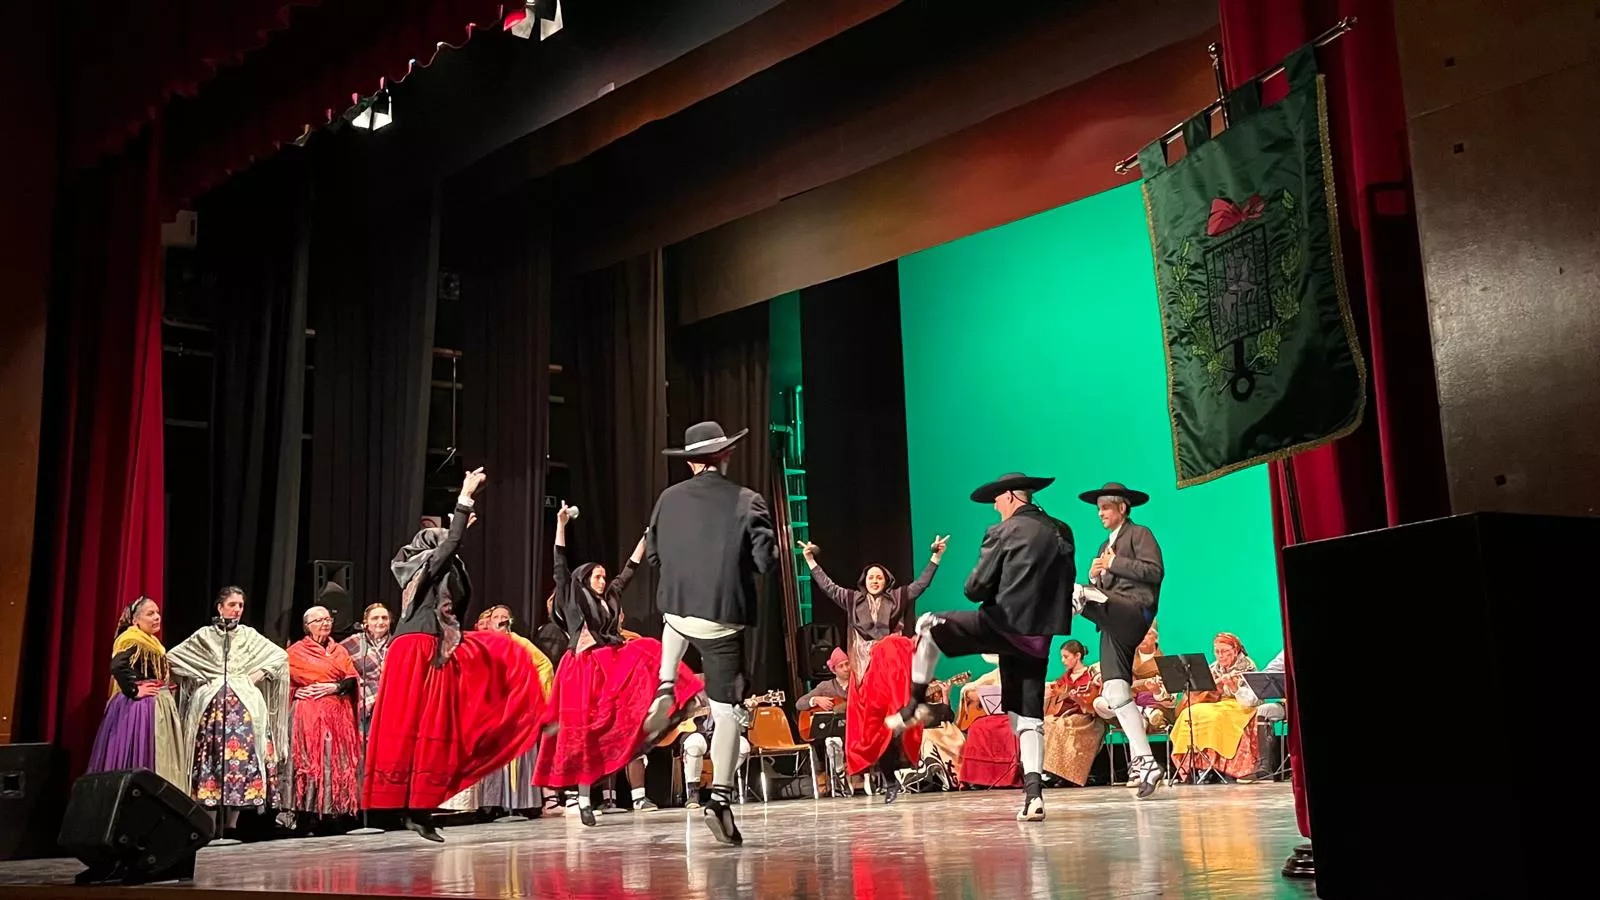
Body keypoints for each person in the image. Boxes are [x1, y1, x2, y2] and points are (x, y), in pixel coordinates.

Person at [362, 468, 546, 841]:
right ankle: (405, 806)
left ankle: (418, 808)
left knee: (436, 725)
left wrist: (461, 527)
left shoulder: (442, 569)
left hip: (435, 647)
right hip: (416, 648)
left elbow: (451, 553)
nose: (451, 545)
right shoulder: (424, 568)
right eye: (444, 540)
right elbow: (447, 549)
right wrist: (464, 497)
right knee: (416, 725)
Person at [889, 472, 1075, 822]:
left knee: (927, 623)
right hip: (1039, 637)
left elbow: (974, 588)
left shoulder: (1002, 532)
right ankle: (1033, 796)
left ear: (1011, 497)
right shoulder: (1062, 530)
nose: (994, 505)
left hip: (1003, 625)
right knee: (1027, 712)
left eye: (997, 499)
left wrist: (997, 590)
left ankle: (913, 703)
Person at [642, 420, 779, 846]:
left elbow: (652, 555)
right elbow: (765, 562)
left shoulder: (667, 499)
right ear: (725, 455)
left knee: (673, 620)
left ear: (689, 463)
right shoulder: (747, 500)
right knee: (727, 715)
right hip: (721, 619)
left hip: (676, 613)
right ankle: (719, 798)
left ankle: (666, 682)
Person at [533, 505, 701, 826]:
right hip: (581, 668)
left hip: (607, 662)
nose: (602, 580)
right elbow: (559, 563)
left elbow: (630, 569)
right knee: (582, 733)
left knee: (649, 648)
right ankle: (583, 800)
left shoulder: (608, 596)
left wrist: (645, 539)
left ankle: (678, 700)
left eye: (604, 577)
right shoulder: (572, 597)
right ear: (584, 578)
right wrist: (561, 524)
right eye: (597, 576)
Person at [801, 535, 948, 802]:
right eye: (871, 577)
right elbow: (827, 586)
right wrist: (811, 561)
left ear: (886, 581)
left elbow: (921, 585)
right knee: (871, 728)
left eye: (879, 577)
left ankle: (906, 731)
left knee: (894, 717)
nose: (875, 580)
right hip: (865, 668)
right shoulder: (852, 600)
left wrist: (935, 557)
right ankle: (889, 778)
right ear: (864, 581)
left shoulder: (898, 597)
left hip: (889, 667)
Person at [168, 587, 290, 836]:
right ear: (220, 607)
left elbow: (279, 656)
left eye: (241, 605)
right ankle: (209, 826)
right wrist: (201, 676)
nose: (237, 609)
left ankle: (231, 827)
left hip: (244, 710)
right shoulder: (205, 636)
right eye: (232, 604)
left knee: (240, 763)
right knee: (211, 762)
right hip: (213, 711)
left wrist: (259, 673)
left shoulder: (248, 635)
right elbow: (174, 657)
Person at [1074, 481, 1166, 799]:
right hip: (1112, 622)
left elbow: (1154, 571)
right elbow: (1102, 581)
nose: (1100, 514)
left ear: (1122, 508)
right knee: (1115, 692)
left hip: (1133, 609)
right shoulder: (1103, 545)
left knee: (1073, 593)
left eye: (1105, 508)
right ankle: (1147, 763)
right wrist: (1097, 575)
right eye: (1098, 509)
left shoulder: (1140, 534)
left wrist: (1112, 564)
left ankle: (1037, 627)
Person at [87, 597, 186, 789]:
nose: (157, 617)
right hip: (140, 709)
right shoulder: (131, 638)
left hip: (155, 703)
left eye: (157, 612)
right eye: (150, 614)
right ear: (135, 620)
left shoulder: (152, 641)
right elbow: (117, 666)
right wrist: (134, 689)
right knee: (141, 751)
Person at [471, 605, 554, 816]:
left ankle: (520, 805)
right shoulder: (484, 643)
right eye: (496, 616)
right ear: (489, 622)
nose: (500, 620)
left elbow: (544, 665)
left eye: (504, 617)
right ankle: (493, 805)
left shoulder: (521, 642)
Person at [286, 605, 362, 820]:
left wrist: (335, 687)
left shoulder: (339, 650)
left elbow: (351, 679)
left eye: (328, 619)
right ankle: (306, 814)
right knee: (312, 764)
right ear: (307, 626)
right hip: (308, 716)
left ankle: (336, 813)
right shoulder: (295, 653)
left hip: (338, 715)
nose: (325, 623)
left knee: (336, 763)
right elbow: (283, 683)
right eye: (319, 620)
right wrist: (297, 690)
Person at [1169, 632, 1262, 781]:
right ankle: (1196, 766)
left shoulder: (1247, 667)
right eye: (1217, 651)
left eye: (1225, 651)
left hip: (1240, 706)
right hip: (1219, 704)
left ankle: (1222, 766)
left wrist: (1234, 688)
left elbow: (1253, 700)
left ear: (1236, 650)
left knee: (1216, 717)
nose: (1221, 655)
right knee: (1190, 713)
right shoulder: (1214, 668)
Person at [1042, 639, 1106, 787]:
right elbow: (1056, 692)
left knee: (1063, 725)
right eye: (1062, 657)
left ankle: (1067, 775)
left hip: (1086, 716)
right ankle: (1051, 771)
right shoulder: (1066, 676)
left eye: (1066, 656)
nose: (1063, 660)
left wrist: (1079, 699)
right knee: (1046, 723)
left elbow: (1093, 698)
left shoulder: (1090, 674)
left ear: (1077, 656)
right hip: (1067, 713)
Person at [796, 648, 852, 789]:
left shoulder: (857, 684)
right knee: (832, 741)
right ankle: (839, 774)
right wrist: (815, 700)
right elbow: (799, 704)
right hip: (834, 732)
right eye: (841, 666)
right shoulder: (825, 686)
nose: (846, 669)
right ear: (833, 670)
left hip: (853, 731)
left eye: (847, 664)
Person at [340, 603, 392, 737]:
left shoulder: (397, 642)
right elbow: (334, 661)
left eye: (384, 618)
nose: (380, 622)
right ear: (366, 623)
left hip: (391, 701)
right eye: (375, 618)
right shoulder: (355, 642)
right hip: (366, 702)